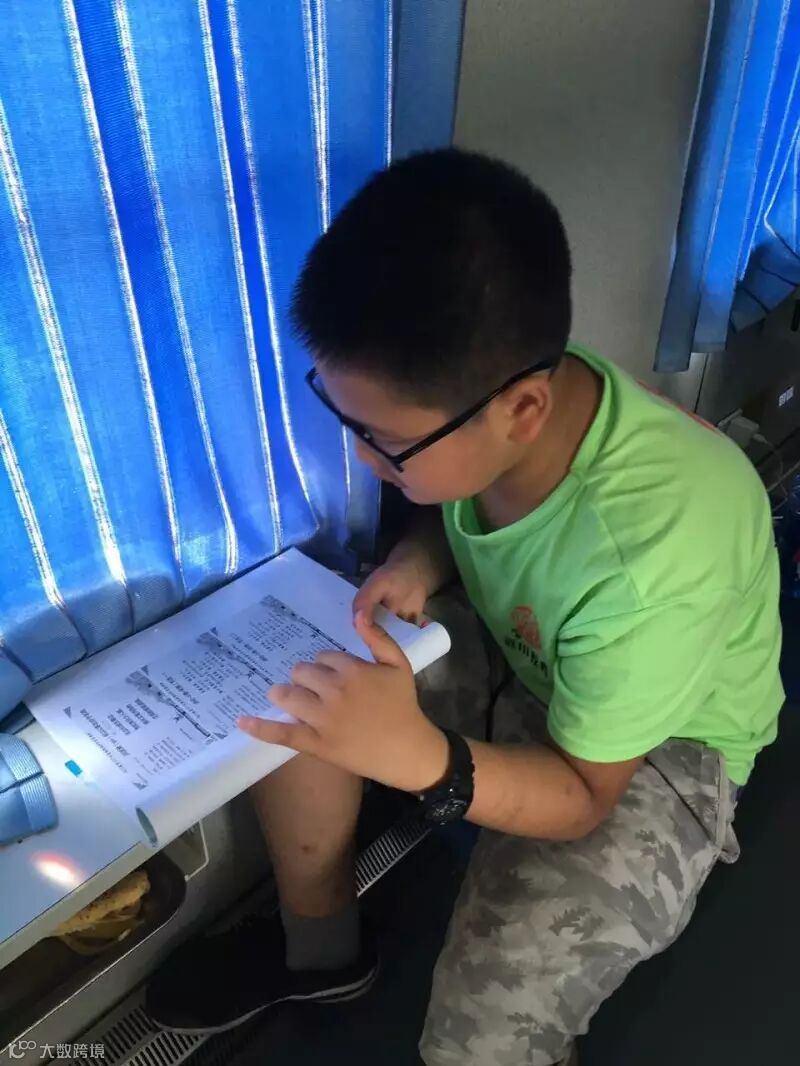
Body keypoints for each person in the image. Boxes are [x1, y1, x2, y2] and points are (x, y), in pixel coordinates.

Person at [146, 149, 784, 1065]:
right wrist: (420, 554)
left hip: (655, 754)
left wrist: (424, 760)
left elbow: (583, 798)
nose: (365, 461)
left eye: (388, 443)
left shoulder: (655, 557)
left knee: (475, 1046)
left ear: (521, 408)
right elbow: (492, 508)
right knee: (303, 680)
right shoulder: (529, 397)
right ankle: (321, 955)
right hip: (523, 649)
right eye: (349, 422)